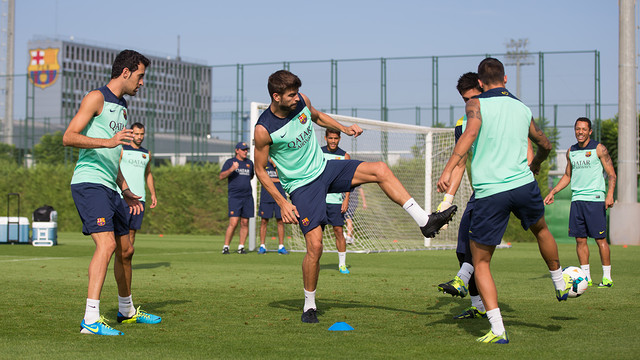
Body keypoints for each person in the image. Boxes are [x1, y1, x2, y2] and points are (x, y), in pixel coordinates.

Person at [254, 70, 457, 324]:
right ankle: (309, 306)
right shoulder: (263, 130)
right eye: (291, 95)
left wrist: (344, 128)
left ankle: (424, 221)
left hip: (325, 169)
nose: (297, 99)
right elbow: (260, 169)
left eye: (297, 93)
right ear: (276, 97)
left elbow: (317, 117)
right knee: (315, 247)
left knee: (380, 169)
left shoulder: (302, 102)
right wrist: (283, 201)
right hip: (302, 186)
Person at [437, 58, 569, 344]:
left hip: (491, 191)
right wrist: (538, 164)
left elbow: (470, 134)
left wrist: (447, 169)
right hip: (524, 185)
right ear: (506, 79)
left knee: (481, 261)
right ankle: (560, 283)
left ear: (481, 83)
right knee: (542, 230)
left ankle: (498, 330)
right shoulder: (523, 108)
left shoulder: (477, 104)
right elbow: (544, 143)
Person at [63, 49, 161, 336]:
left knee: (126, 250)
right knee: (105, 246)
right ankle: (90, 321)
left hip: (111, 186)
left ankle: (126, 310)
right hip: (89, 182)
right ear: (126, 72)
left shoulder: (123, 108)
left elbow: (113, 155)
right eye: (140, 76)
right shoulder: (96, 97)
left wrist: (127, 189)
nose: (142, 83)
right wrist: (108, 142)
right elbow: (69, 137)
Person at [437, 73, 535, 320]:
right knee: (463, 246)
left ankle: (463, 282)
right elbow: (461, 162)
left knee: (478, 247)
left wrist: (521, 177)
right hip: (482, 190)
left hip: (504, 187)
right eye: (465, 99)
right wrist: (446, 201)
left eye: (473, 96)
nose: (470, 101)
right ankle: (477, 305)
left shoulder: (503, 113)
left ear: (482, 88)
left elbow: (529, 149)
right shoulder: (464, 123)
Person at [544, 117, 616, 287]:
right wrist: (553, 191)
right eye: (578, 129)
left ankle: (607, 278)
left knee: (600, 240)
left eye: (584, 129)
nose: (580, 132)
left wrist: (610, 194)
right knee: (580, 240)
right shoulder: (571, 151)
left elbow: (611, 174)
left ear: (590, 131)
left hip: (595, 199)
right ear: (575, 130)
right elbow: (568, 176)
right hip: (577, 200)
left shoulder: (599, 149)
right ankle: (586, 278)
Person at [119, 122, 158, 246]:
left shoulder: (147, 154)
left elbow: (148, 174)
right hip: (122, 197)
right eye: (136, 134)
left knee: (132, 231)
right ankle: (119, 261)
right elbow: (115, 170)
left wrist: (153, 194)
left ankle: (126, 262)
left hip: (139, 198)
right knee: (120, 231)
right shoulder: (122, 150)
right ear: (131, 134)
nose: (139, 137)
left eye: (142, 134)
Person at [321, 129, 351, 274]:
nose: (333, 141)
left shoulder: (344, 156)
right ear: (326, 138)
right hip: (319, 199)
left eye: (336, 138)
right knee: (315, 233)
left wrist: (346, 199)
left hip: (336, 201)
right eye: (330, 138)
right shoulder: (317, 152)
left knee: (338, 231)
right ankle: (314, 262)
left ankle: (342, 265)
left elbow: (348, 181)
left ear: (339, 139)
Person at [220, 141, 255, 254]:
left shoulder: (249, 163)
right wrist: (231, 169)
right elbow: (221, 176)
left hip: (247, 196)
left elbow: (250, 176)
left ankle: (241, 247)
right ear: (237, 150)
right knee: (234, 222)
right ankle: (226, 246)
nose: (246, 151)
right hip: (235, 197)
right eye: (243, 149)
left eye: (246, 150)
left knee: (245, 222)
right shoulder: (230, 162)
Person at [258, 158, 289, 254]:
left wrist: (275, 165)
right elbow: (262, 179)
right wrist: (275, 180)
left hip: (279, 197)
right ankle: (262, 246)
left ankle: (281, 246)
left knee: (280, 221)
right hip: (266, 196)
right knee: (264, 221)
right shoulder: (263, 163)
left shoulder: (280, 163)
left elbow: (283, 179)